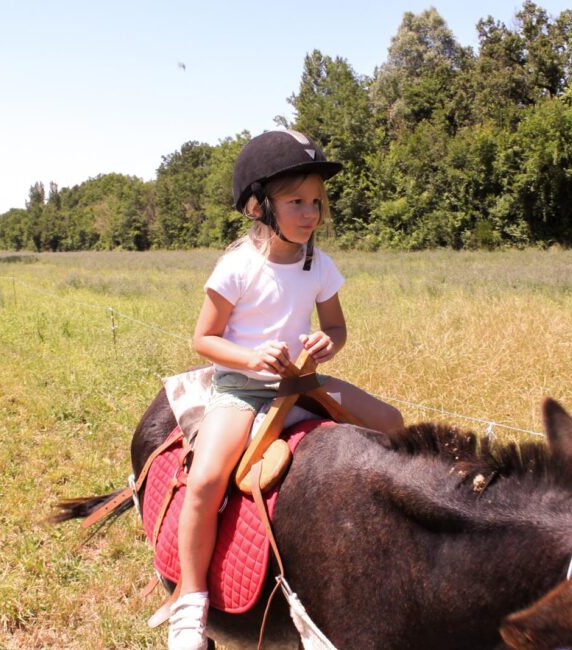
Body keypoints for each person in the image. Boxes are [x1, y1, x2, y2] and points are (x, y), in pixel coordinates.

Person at [168, 129, 404, 650]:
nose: (310, 212)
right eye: (296, 200)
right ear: (259, 206)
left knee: (392, 423)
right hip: (243, 388)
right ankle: (190, 600)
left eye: (316, 201)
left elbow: (337, 329)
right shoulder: (237, 267)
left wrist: (328, 343)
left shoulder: (318, 265)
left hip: (303, 381)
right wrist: (251, 358)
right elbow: (203, 339)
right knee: (207, 479)